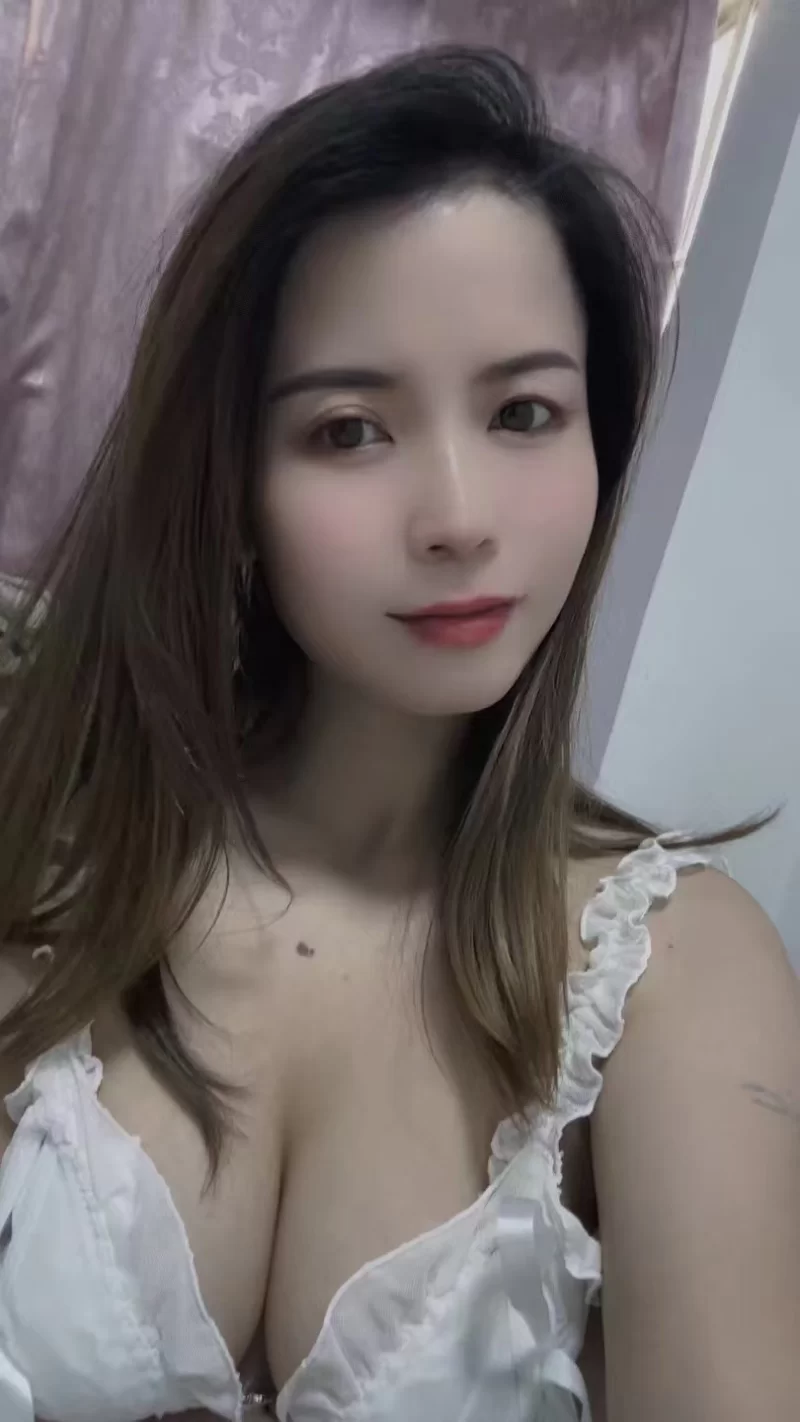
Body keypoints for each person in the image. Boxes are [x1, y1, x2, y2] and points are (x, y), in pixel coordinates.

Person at [0, 44, 797, 1422]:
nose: (457, 517)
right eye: (351, 430)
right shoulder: (51, 852)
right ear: (230, 477)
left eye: (525, 412)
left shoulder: (673, 971)